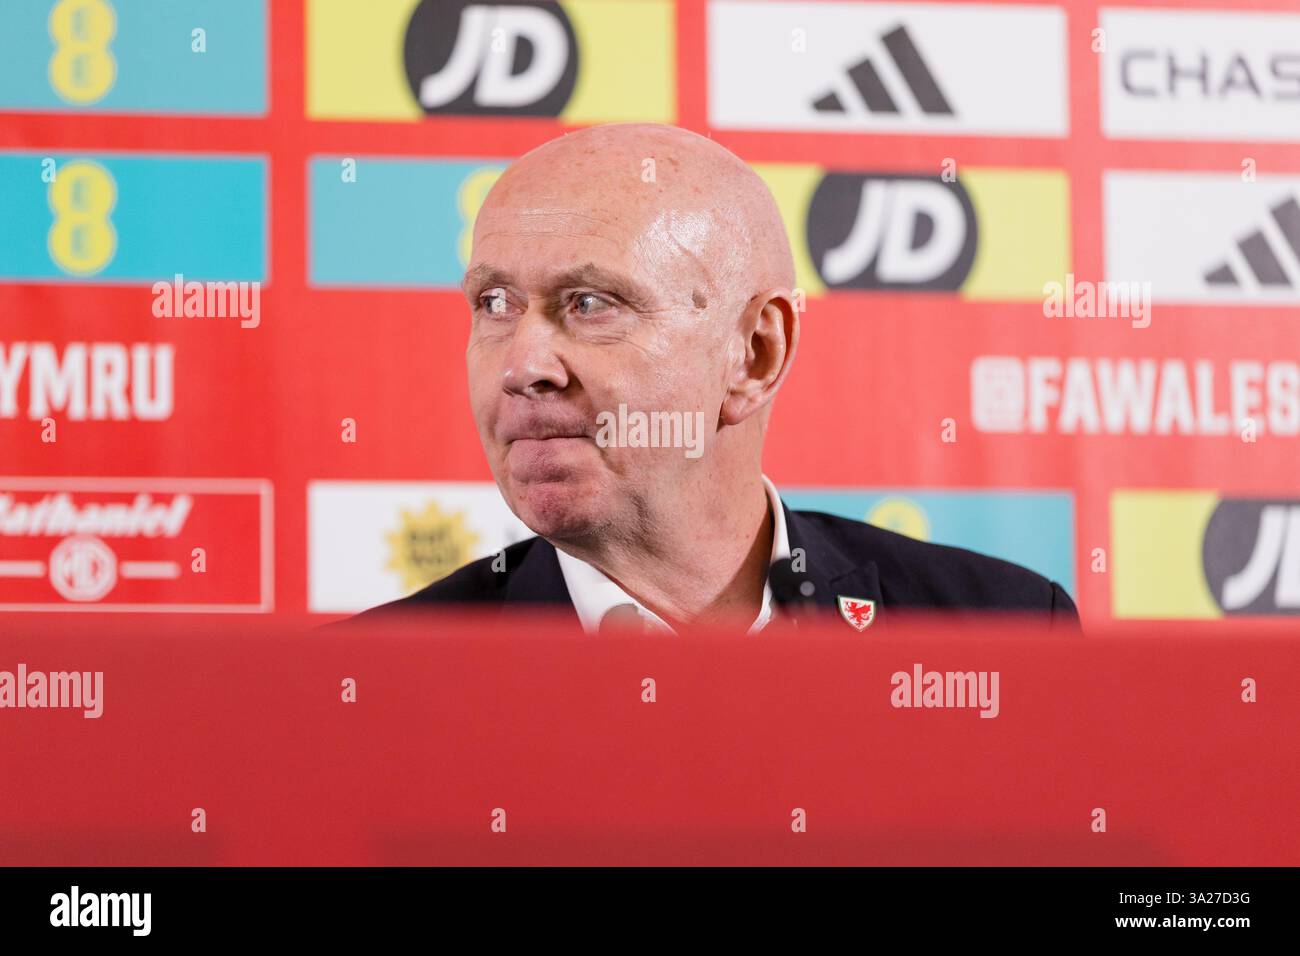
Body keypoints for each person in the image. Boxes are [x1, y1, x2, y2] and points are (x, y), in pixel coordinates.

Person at [352, 123, 1079, 634]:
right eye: (496, 304)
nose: (523, 366)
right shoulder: (370, 691)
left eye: (590, 303)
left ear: (755, 354)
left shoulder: (1002, 630)